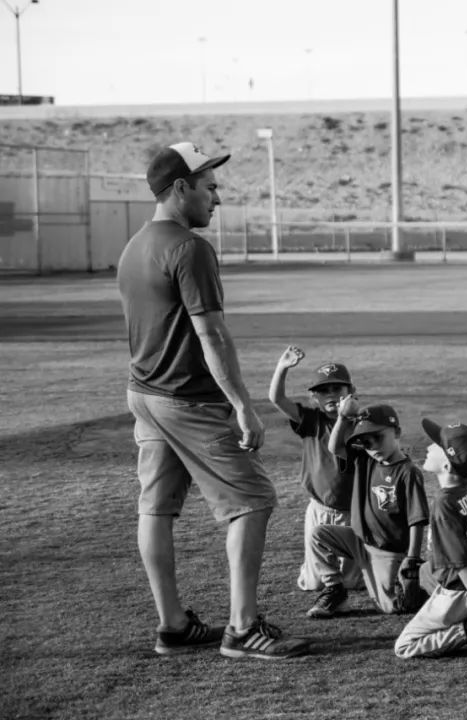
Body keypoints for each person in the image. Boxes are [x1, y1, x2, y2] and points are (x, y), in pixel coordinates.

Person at [117, 142, 308, 659]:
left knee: (155, 508)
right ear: (180, 188)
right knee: (253, 501)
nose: (217, 197)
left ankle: (173, 625)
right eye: (210, 186)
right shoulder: (189, 248)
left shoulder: (134, 246)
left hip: (144, 393)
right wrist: (243, 405)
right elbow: (212, 336)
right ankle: (243, 629)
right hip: (187, 399)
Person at [394, 419, 467, 659]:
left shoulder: (444, 504)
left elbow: (460, 560)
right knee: (426, 570)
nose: (428, 446)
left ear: (446, 465)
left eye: (437, 445)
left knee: (404, 646)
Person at [318, 400, 429, 616]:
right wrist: (342, 418)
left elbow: (417, 519)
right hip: (359, 542)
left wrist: (412, 558)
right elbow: (335, 447)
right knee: (319, 535)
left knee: (392, 607)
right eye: (366, 443)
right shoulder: (364, 459)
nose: (374, 447)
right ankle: (334, 588)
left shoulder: (408, 472)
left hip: (388, 553)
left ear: (397, 432)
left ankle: (429, 588)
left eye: (378, 438)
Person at [267, 346, 362, 593]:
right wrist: (282, 367)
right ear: (314, 398)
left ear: (351, 392)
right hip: (319, 509)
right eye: (323, 390)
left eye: (337, 388)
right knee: (314, 584)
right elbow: (277, 399)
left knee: (352, 583)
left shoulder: (363, 424)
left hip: (352, 512)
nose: (330, 394)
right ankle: (311, 568)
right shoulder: (312, 420)